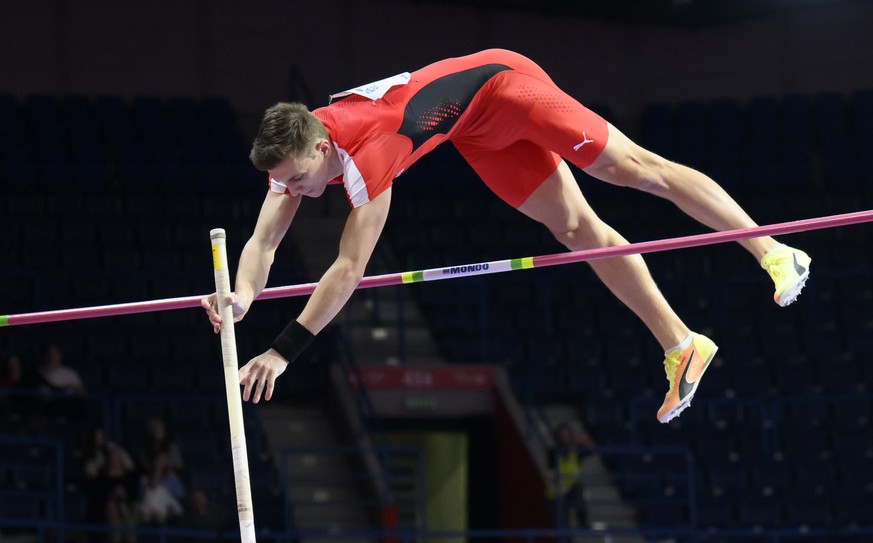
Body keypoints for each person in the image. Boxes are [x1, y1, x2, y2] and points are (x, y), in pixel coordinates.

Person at [201, 48, 811, 423]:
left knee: (635, 171)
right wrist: (242, 297)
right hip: (474, 131)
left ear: (321, 147)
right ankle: (681, 344)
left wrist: (282, 351)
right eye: (284, 184)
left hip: (504, 87)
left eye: (300, 180)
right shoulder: (299, 153)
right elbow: (263, 242)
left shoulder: (368, 154)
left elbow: (348, 269)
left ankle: (773, 249)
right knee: (577, 229)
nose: (295, 192)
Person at [546, 422, 594, 529]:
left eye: (567, 435)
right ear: (558, 437)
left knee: (579, 490)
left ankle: (582, 522)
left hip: (572, 488)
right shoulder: (553, 452)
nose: (565, 438)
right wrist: (557, 488)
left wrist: (586, 440)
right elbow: (550, 473)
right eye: (562, 436)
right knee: (559, 525)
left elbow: (591, 450)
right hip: (557, 489)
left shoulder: (576, 451)